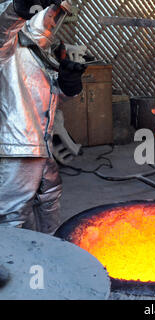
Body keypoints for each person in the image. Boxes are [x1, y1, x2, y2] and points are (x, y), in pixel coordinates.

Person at [0, 0, 87, 234]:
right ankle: (14, 266)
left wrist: (68, 85)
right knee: (12, 216)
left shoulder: (39, 50)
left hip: (40, 145)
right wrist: (20, 7)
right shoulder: (9, 43)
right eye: (52, 15)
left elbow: (48, 96)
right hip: (15, 149)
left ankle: (50, 257)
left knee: (49, 198)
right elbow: (4, 25)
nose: (53, 21)